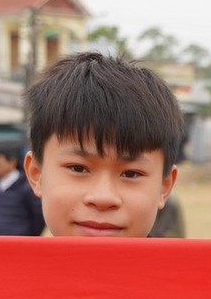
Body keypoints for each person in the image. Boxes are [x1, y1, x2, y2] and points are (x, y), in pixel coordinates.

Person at [22, 52, 183, 238]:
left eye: (131, 173)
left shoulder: (199, 268)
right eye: (78, 168)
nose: (103, 198)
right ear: (36, 173)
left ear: (164, 185)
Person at [0, 148, 46, 236]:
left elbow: (39, 216)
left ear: (12, 163)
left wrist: (28, 236)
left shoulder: (27, 187)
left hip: (20, 242)